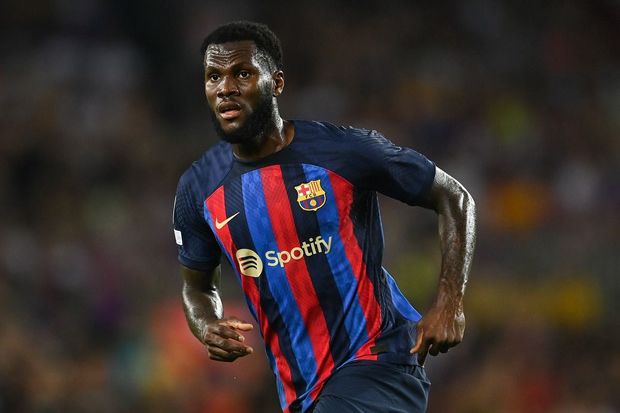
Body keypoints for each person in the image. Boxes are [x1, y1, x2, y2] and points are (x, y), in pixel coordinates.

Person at [172, 20, 476, 413]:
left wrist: (450, 301)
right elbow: (197, 287)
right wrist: (206, 325)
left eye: (242, 73)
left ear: (276, 83)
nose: (225, 87)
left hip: (380, 360)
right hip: (302, 390)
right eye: (214, 76)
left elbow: (454, 197)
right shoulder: (198, 189)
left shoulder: (343, 151)